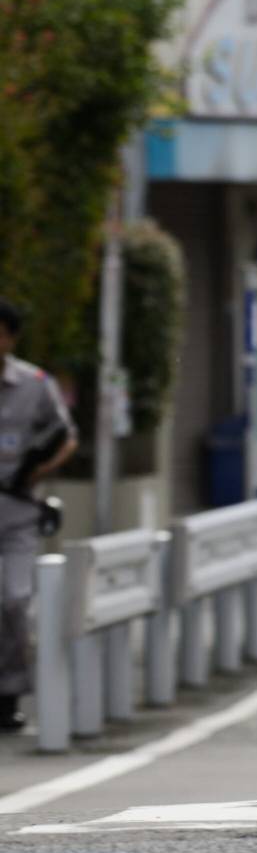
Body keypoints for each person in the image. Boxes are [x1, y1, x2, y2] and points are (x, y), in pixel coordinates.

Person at [0, 297, 78, 734]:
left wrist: (37, 471)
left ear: (11, 338)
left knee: (13, 599)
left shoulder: (34, 383)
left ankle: (8, 694)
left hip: (17, 510)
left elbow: (65, 435)